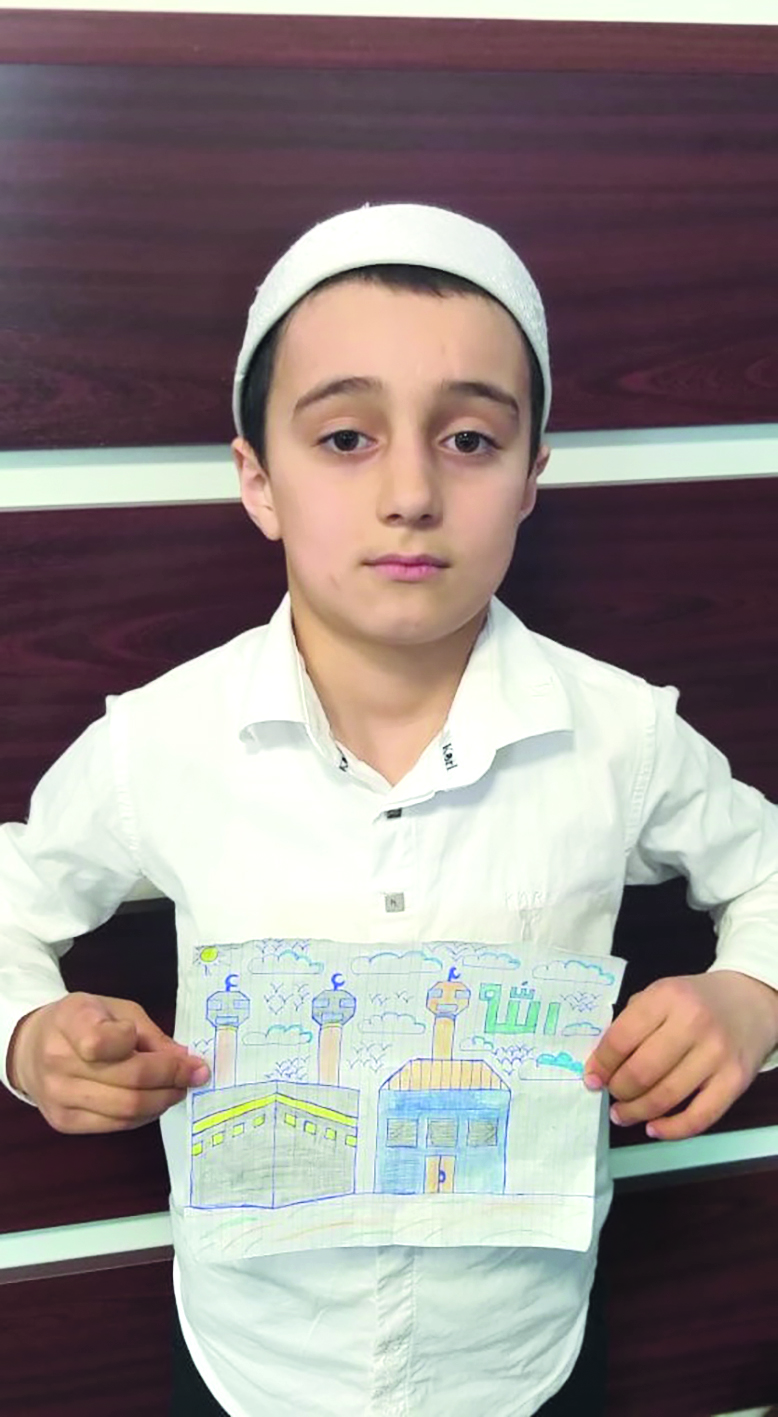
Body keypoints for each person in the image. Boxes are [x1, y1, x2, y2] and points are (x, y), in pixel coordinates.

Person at [1, 203, 777, 1417]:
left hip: (523, 1360)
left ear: (530, 478)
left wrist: (752, 994)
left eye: (468, 438)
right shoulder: (160, 740)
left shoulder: (620, 734)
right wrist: (28, 1034)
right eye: (346, 437)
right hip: (252, 1363)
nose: (410, 491)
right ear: (258, 479)